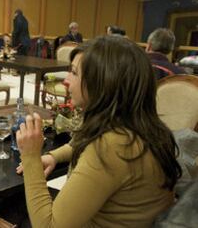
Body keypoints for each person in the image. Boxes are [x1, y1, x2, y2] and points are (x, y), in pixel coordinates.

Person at [16, 36, 182, 227]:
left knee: (9, 210)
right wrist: (54, 156)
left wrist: (30, 156)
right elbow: (84, 144)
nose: (67, 81)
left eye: (75, 73)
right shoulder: (144, 128)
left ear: (103, 84)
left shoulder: (110, 146)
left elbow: (48, 226)